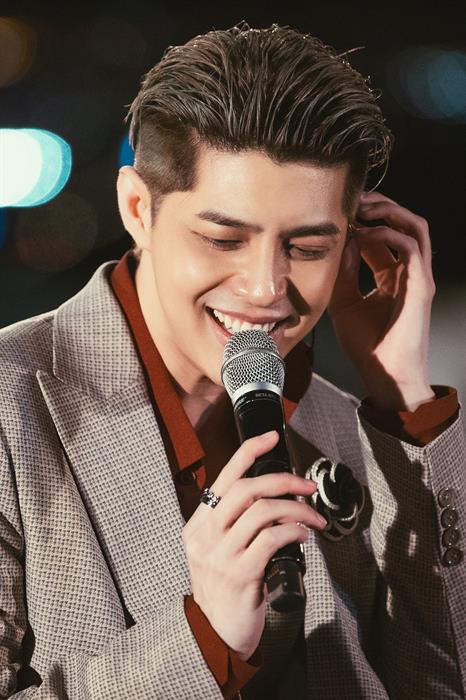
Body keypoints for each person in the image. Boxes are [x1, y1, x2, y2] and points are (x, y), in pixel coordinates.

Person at [0, 21, 464, 700]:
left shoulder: (363, 430)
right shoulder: (11, 408)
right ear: (138, 208)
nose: (265, 287)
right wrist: (202, 640)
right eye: (224, 239)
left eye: (307, 248)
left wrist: (403, 397)